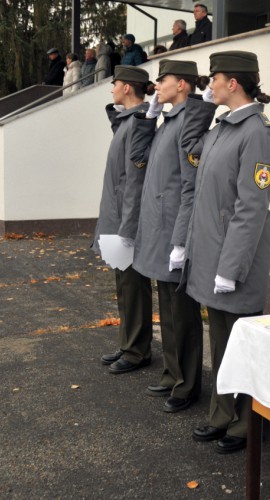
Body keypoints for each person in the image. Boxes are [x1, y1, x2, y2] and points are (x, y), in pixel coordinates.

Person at [186, 51, 270, 454]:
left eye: (214, 80)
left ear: (233, 83)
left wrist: (231, 268)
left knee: (240, 342)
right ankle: (221, 413)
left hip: (233, 259)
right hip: (212, 253)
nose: (209, 86)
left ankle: (246, 422)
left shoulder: (256, 132)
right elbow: (191, 157)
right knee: (221, 340)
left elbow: (250, 207)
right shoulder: (224, 126)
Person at [131, 60, 217, 412]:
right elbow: (138, 157)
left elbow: (188, 187)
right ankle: (172, 371)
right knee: (166, 309)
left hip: (172, 230)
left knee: (181, 312)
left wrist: (181, 240)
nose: (157, 85)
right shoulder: (166, 122)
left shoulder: (188, 123)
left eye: (162, 80)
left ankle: (187, 385)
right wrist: (148, 116)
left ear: (182, 84)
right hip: (157, 228)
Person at [92, 66, 156, 375]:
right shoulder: (128, 121)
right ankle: (128, 342)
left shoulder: (138, 123)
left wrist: (128, 228)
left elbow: (135, 181)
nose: (111, 88)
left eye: (115, 83)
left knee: (133, 286)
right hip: (117, 216)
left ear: (128, 87)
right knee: (123, 284)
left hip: (125, 219)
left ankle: (137, 349)